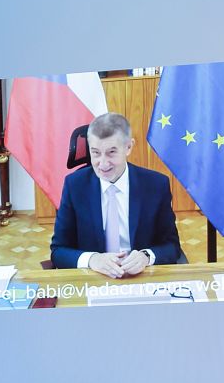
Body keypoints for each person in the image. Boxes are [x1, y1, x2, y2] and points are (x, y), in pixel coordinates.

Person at [49, 112, 186, 276]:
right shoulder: (74, 186)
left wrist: (146, 256)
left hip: (141, 277)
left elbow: (171, 246)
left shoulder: (156, 185)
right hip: (94, 277)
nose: (103, 163)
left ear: (128, 147)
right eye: (96, 153)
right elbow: (58, 251)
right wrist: (92, 259)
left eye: (111, 152)